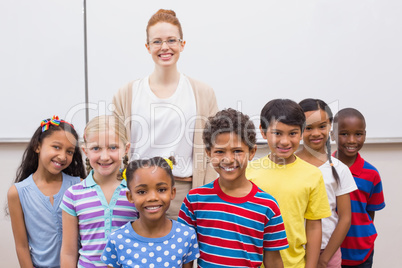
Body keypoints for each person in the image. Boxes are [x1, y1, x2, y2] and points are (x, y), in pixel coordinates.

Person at [112, 9, 218, 220]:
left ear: (182, 44)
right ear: (148, 47)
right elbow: (115, 148)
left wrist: (205, 196)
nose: (165, 47)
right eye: (157, 41)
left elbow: (212, 149)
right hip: (136, 194)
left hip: (184, 193)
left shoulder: (203, 93)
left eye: (171, 40)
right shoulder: (127, 93)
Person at [179, 108, 288, 268]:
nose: (228, 159)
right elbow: (185, 255)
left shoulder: (267, 206)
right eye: (220, 151)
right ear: (209, 153)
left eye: (237, 151)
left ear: (252, 152)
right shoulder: (194, 200)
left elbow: (273, 260)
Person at [246, 99, 332, 268]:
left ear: (301, 133)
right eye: (277, 133)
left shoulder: (313, 175)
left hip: (295, 264)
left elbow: (314, 226)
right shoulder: (249, 172)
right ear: (263, 132)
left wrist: (311, 266)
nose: (285, 141)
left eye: (292, 133)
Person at [7, 116, 85, 268]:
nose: (63, 156)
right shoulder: (17, 193)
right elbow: (22, 247)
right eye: (56, 147)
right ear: (37, 146)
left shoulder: (79, 185)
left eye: (69, 151)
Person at [60, 115, 138, 268]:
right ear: (85, 151)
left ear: (126, 149)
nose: (104, 156)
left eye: (113, 147)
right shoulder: (73, 195)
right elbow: (69, 252)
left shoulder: (137, 191)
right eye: (96, 148)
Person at [101, 157, 199, 268]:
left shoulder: (186, 236)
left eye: (161, 189)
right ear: (130, 196)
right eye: (141, 191)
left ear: (172, 192)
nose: (152, 198)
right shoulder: (117, 240)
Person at [296, 99, 357, 268]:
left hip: (327, 252)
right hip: (294, 250)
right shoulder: (288, 165)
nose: (316, 133)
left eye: (322, 126)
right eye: (308, 128)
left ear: (331, 126)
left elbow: (345, 218)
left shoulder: (340, 169)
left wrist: (324, 259)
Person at [331, 108, 385, 268]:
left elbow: (370, 212)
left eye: (358, 134)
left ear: (365, 135)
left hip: (362, 250)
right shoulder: (323, 170)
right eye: (344, 133)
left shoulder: (372, 174)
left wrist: (364, 237)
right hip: (330, 251)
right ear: (332, 135)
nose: (352, 140)